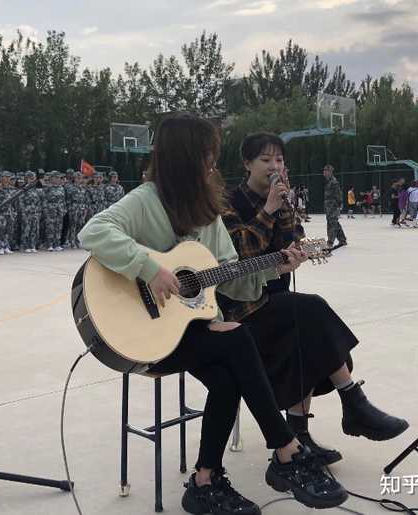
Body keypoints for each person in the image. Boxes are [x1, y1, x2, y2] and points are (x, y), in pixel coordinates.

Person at [78, 114, 348, 515]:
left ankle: (205, 481)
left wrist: (274, 267)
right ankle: (287, 450)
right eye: (207, 154)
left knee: (228, 373)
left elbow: (228, 275)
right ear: (186, 157)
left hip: (187, 330)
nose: (212, 163)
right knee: (237, 342)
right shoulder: (146, 200)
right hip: (142, 335)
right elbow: (94, 232)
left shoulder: (207, 211)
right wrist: (150, 269)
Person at [221, 132, 409, 466]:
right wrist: (269, 209)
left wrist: (296, 251)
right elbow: (239, 251)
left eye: (279, 160)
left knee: (304, 328)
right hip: (241, 306)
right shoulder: (228, 201)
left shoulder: (283, 199)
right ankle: (353, 401)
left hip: (276, 300)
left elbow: (296, 239)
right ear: (247, 164)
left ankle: (301, 437)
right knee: (311, 310)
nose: (274, 166)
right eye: (265, 160)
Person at [323, 164, 346, 249]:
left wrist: (339, 204)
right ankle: (342, 239)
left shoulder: (334, 182)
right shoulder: (329, 181)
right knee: (335, 223)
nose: (324, 172)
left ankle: (330, 242)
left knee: (332, 223)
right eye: (324, 170)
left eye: (326, 170)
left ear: (330, 172)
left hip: (333, 206)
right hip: (329, 206)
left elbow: (338, 194)